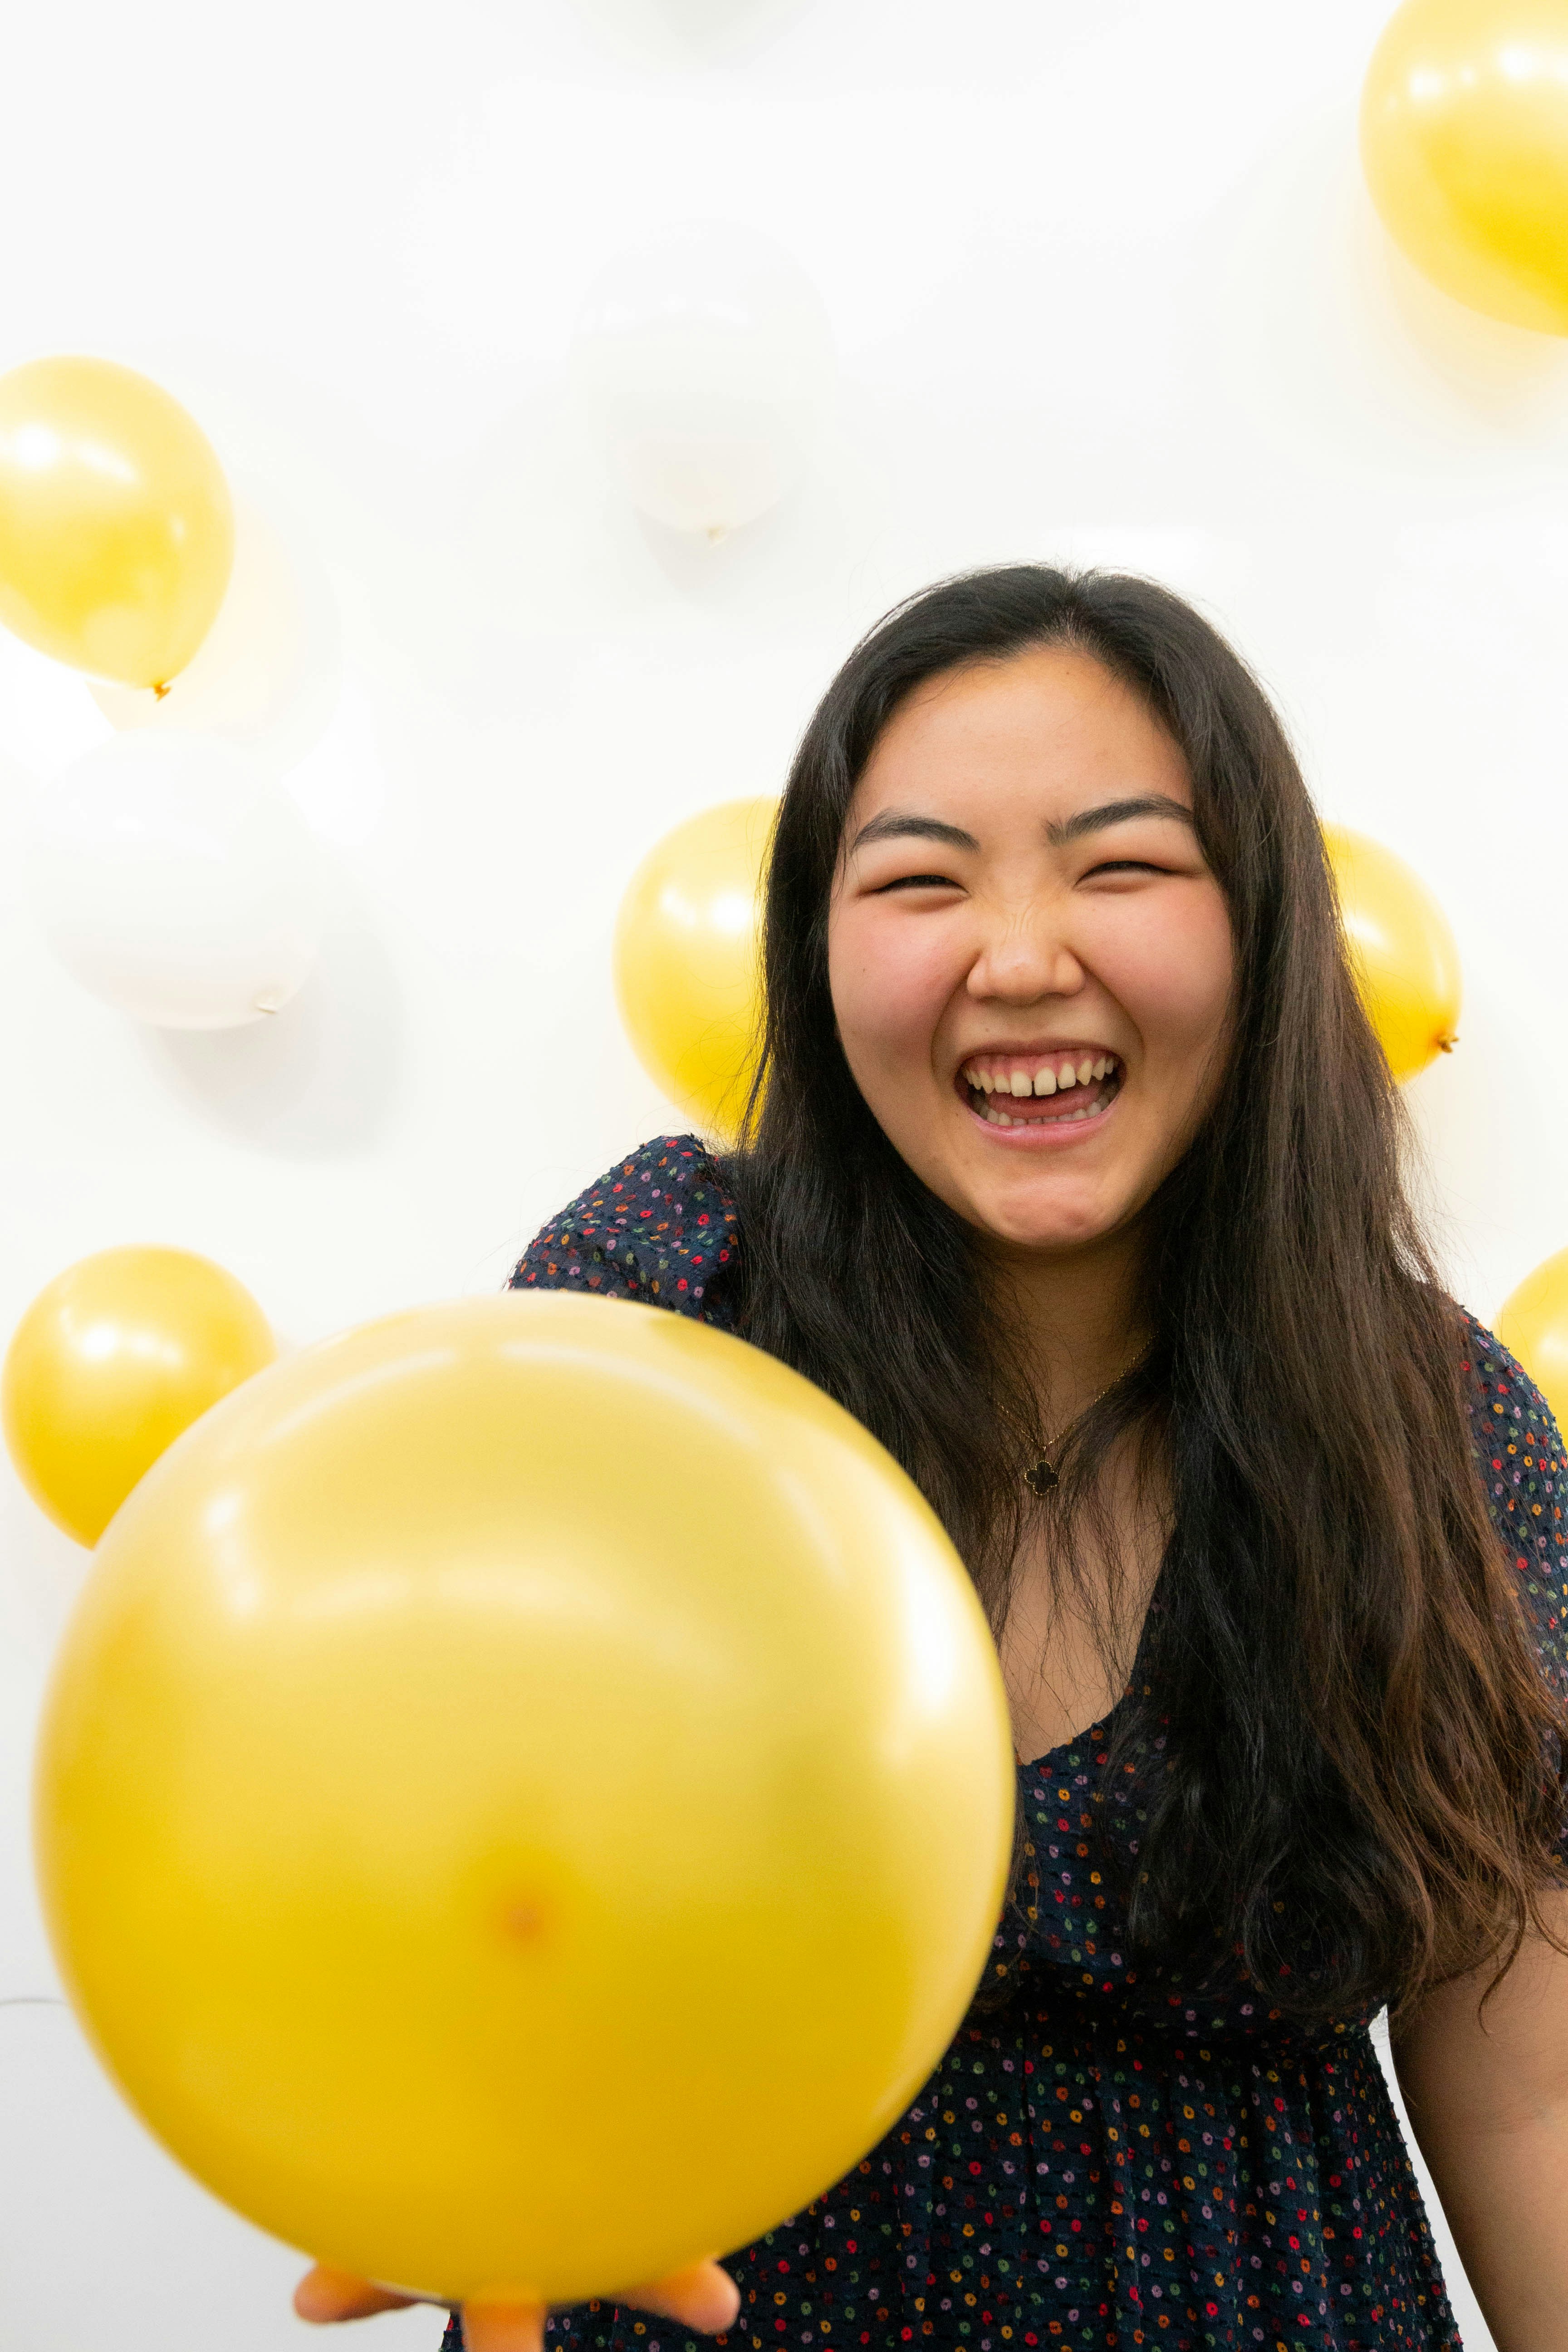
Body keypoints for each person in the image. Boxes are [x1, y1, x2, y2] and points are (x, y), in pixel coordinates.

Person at [296, 566, 1568, 2352]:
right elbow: (422, 1849)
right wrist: (421, 2143)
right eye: (917, 879)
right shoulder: (666, 1319)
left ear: (1262, 926)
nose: (1022, 954)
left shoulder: (1430, 1425)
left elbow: (1533, 2100)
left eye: (1120, 866)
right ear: (818, 955)